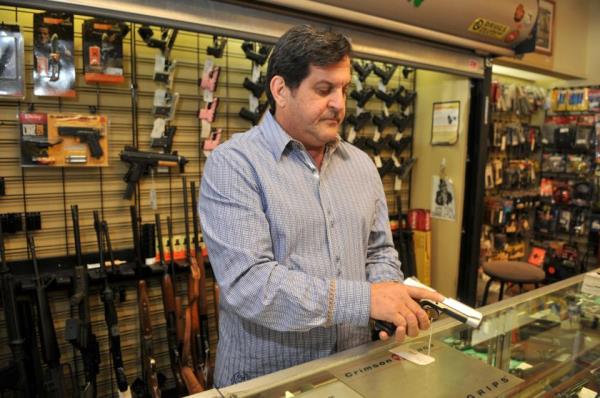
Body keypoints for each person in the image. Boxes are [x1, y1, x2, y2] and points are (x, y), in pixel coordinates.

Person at [199, 25, 444, 387]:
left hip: (356, 372)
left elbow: (377, 253)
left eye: (344, 89)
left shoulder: (361, 165)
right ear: (281, 90)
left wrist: (391, 307)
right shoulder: (234, 165)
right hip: (269, 382)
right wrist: (366, 301)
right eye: (324, 89)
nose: (339, 104)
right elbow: (250, 285)